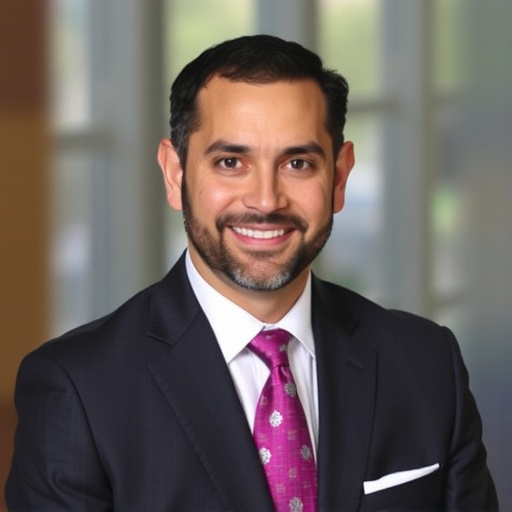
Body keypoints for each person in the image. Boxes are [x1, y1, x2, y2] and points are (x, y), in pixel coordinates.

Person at [5, 35, 498, 511]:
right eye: (230, 161)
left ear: (340, 176)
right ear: (175, 174)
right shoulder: (78, 389)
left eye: (298, 163)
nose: (265, 201)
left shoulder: (428, 365)